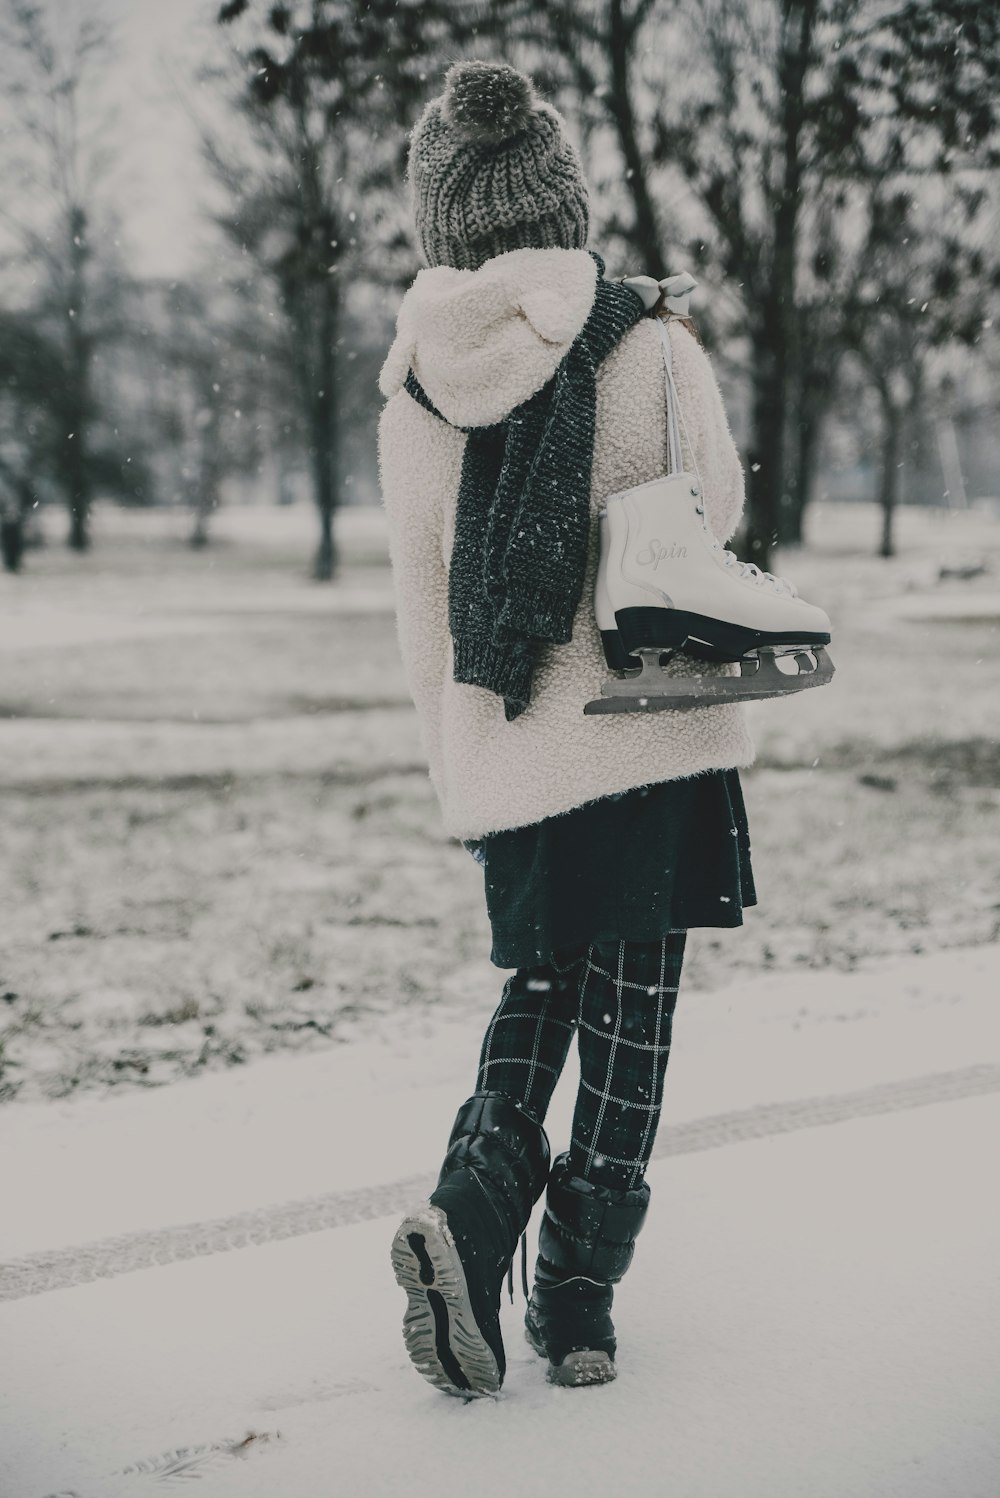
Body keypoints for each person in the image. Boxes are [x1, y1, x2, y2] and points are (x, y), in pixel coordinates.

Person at [379, 60, 756, 1396]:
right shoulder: (652, 342)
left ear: (447, 229)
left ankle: (471, 1217)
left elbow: (427, 616)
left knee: (539, 990)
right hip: (652, 726)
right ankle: (580, 1301)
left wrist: (463, 770)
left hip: (514, 738)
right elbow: (710, 511)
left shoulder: (417, 390)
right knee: (635, 1015)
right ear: (566, 203)